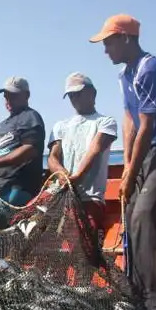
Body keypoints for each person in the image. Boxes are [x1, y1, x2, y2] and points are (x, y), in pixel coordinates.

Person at [89, 13, 156, 310]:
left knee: (145, 215)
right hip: (146, 153)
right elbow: (130, 120)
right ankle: (133, 292)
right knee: (131, 215)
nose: (105, 50)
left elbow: (148, 125)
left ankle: (153, 302)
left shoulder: (151, 70)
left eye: (108, 42)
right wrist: (128, 165)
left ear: (125, 38)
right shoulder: (124, 75)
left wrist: (132, 172)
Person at [0, 77, 46, 256]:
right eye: (5, 96)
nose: (8, 100)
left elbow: (30, 150)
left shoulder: (31, 117)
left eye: (13, 95)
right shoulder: (2, 125)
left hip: (19, 187)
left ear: (26, 95)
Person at [46, 72, 118, 248]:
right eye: (70, 95)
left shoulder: (105, 122)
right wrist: (61, 173)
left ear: (92, 93)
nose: (74, 98)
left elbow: (95, 149)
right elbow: (53, 156)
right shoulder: (59, 126)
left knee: (86, 250)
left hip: (90, 199)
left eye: (78, 93)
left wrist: (77, 176)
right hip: (62, 197)